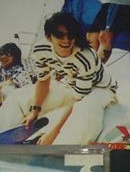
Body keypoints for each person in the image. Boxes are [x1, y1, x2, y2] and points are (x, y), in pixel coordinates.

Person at [21, 12, 118, 145]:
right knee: (23, 98)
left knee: (85, 109)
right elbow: (43, 80)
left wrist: (53, 134)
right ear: (49, 37)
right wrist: (34, 111)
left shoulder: (85, 57)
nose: (66, 40)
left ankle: (61, 147)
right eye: (59, 35)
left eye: (70, 35)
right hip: (73, 86)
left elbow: (77, 99)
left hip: (101, 88)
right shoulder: (40, 50)